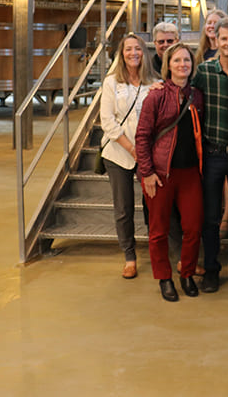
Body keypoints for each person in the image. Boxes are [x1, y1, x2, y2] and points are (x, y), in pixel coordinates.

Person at [135, 42, 204, 302]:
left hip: (190, 174)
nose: (182, 65)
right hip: (161, 174)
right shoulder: (156, 95)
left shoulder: (197, 95)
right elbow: (142, 136)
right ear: (168, 65)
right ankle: (164, 277)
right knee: (159, 229)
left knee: (193, 227)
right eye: (177, 61)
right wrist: (147, 172)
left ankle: (186, 273)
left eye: (187, 60)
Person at [191, 18, 228, 293]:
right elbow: (180, 88)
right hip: (213, 154)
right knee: (211, 217)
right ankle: (212, 270)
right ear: (215, 41)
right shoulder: (203, 72)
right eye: (224, 38)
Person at [100, 33, 157, 279]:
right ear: (121, 54)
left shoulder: (154, 82)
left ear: (144, 53)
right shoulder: (111, 82)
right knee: (123, 209)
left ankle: (158, 252)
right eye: (128, 49)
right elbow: (107, 122)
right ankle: (130, 256)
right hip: (118, 155)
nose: (133, 53)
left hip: (148, 154)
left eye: (138, 49)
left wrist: (144, 151)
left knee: (153, 206)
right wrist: (133, 149)